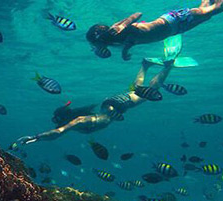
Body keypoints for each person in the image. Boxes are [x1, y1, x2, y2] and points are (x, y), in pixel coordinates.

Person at [12, 58, 174, 146]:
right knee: (137, 90)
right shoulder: (79, 120)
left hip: (115, 106)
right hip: (110, 105)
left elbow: (58, 133)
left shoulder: (78, 121)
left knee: (149, 94)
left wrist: (35, 137)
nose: (56, 123)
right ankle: (145, 65)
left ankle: (167, 66)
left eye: (58, 120)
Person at [86, 0, 223, 61]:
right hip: (175, 30)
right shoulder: (118, 41)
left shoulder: (117, 29)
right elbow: (132, 41)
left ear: (101, 38)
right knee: (206, 14)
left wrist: (124, 24)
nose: (96, 46)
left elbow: (138, 14)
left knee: (220, 7)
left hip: (173, 20)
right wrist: (125, 52)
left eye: (96, 43)